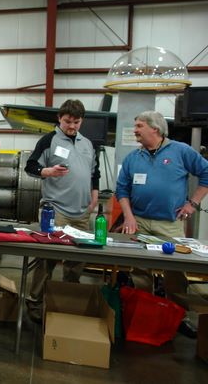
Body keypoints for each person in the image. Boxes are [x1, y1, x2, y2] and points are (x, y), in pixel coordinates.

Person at [116, 110, 208, 336]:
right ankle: (143, 313)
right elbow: (122, 189)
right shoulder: (133, 158)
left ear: (155, 129)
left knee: (175, 273)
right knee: (140, 271)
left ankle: (179, 317)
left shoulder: (181, 151)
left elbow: (206, 173)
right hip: (139, 222)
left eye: (139, 126)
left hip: (169, 224)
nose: (135, 130)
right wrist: (129, 216)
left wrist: (193, 204)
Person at [23, 99, 100, 321]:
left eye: (76, 122)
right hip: (55, 210)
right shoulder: (49, 140)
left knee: (77, 261)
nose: (72, 126)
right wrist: (47, 171)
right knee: (47, 258)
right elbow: (30, 166)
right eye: (68, 121)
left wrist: (94, 196)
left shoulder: (88, 144)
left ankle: (68, 298)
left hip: (82, 212)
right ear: (59, 118)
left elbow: (95, 173)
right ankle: (35, 301)